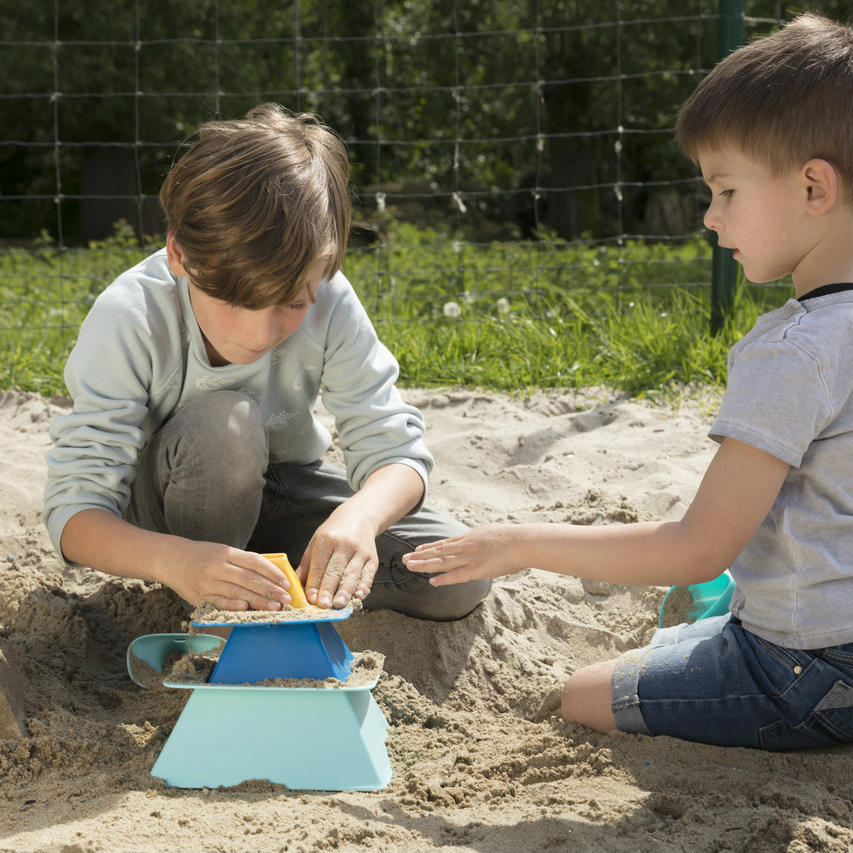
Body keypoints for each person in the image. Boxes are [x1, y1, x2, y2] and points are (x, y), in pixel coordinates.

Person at [403, 14, 853, 749]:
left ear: (812, 186)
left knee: (580, 693)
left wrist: (518, 542)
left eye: (725, 189)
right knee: (696, 622)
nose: (709, 217)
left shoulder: (795, 349)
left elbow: (694, 548)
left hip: (807, 669)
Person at [44, 103, 490, 621]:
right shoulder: (131, 316)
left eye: (294, 303)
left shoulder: (332, 298)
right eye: (236, 301)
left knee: (457, 575)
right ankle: (194, 607)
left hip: (284, 490)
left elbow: (397, 451)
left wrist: (359, 518)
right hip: (167, 517)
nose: (262, 334)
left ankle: (259, 586)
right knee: (226, 425)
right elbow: (74, 516)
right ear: (180, 256)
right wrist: (177, 561)